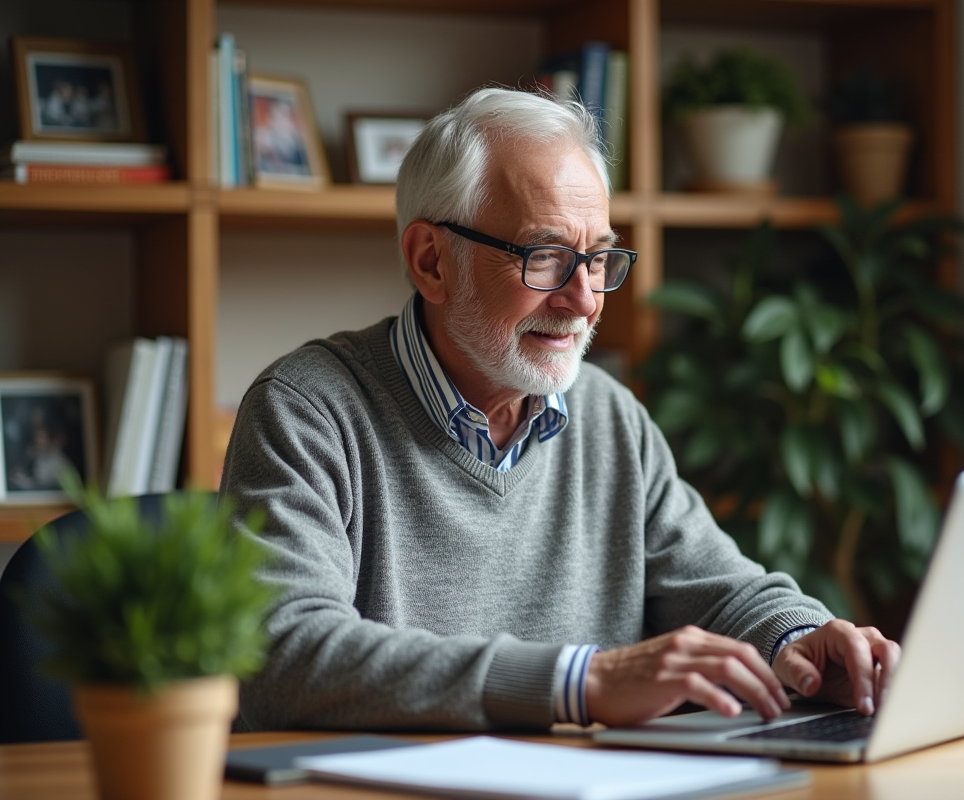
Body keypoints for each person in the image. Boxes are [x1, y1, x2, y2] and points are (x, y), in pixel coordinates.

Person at [222, 87, 900, 733]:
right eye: (545, 256)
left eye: (598, 258)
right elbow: (283, 655)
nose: (584, 299)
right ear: (431, 261)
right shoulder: (306, 411)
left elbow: (721, 590)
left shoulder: (608, 415)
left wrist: (803, 640)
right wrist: (578, 681)